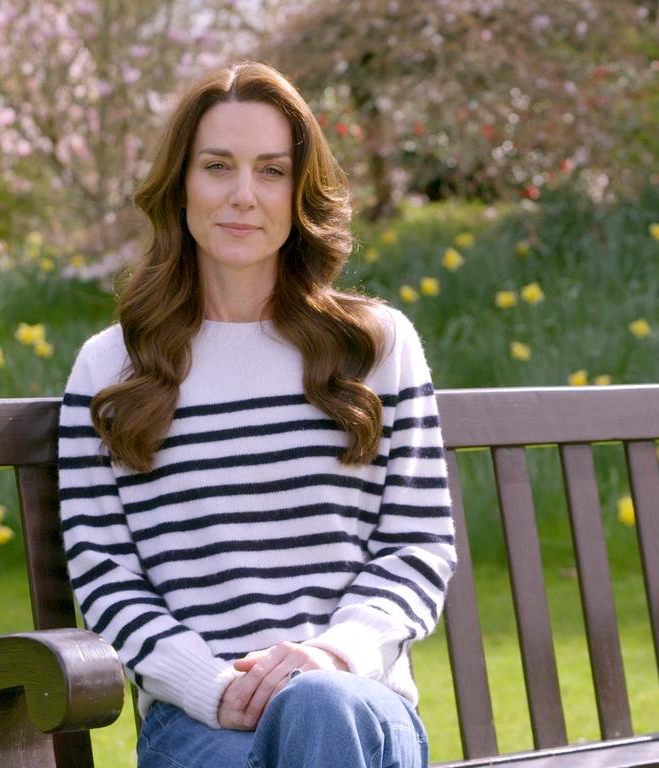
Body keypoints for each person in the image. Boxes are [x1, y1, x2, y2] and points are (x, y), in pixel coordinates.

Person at [57, 60, 456, 768]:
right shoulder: (111, 367)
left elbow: (418, 546)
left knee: (318, 709)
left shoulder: (375, 347)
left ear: (300, 191)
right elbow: (105, 571)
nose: (244, 195)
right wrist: (210, 687)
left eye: (272, 171)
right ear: (180, 183)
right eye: (218, 166)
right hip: (199, 723)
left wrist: (330, 655)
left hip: (357, 705)